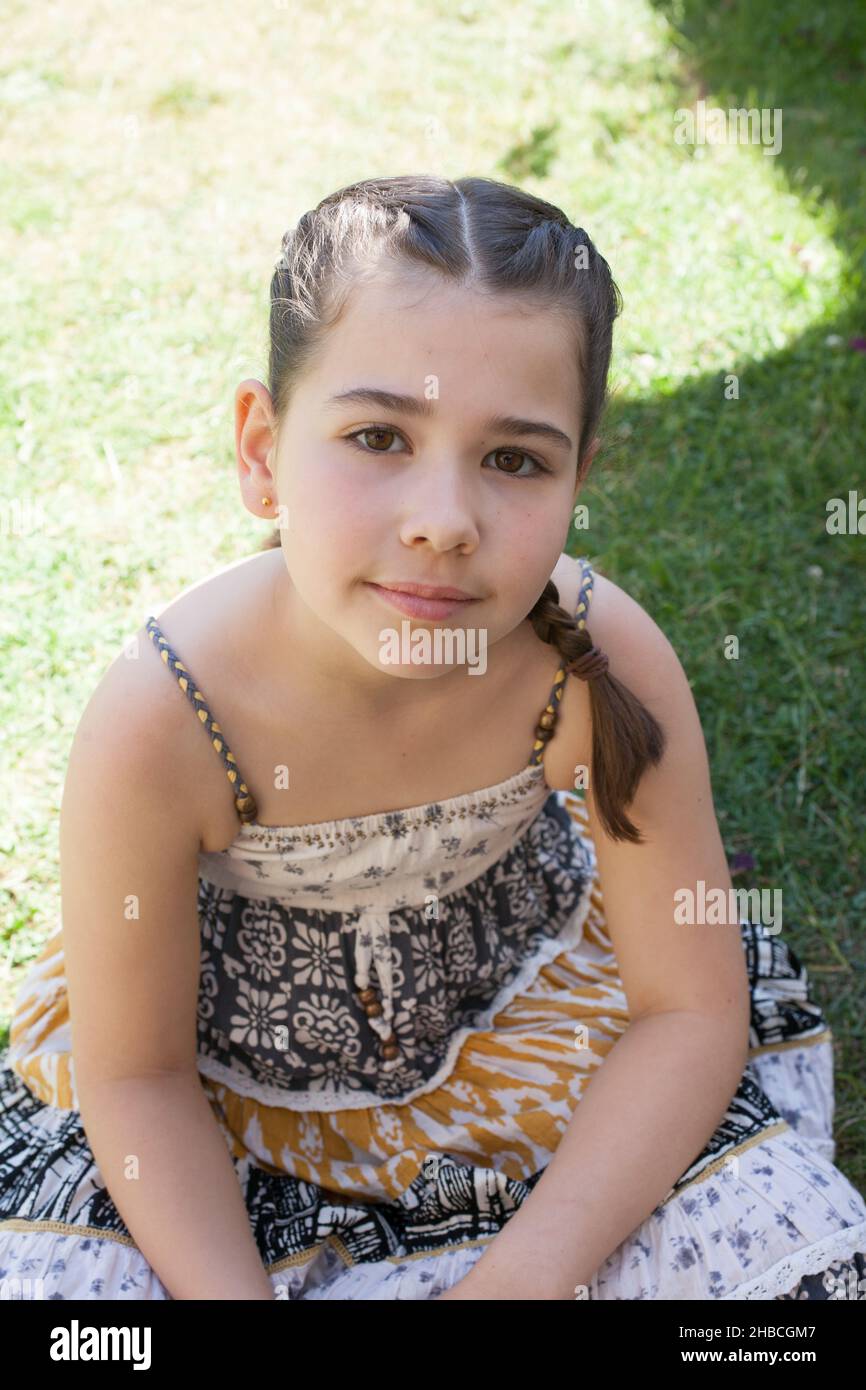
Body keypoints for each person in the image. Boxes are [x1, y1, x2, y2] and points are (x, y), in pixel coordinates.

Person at [1, 174, 864, 1302]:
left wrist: (521, 1284)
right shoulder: (164, 715)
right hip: (215, 1110)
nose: (444, 521)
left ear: (577, 479)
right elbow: (138, 1077)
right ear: (261, 449)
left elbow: (687, 1009)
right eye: (376, 435)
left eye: (513, 459)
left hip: (536, 1038)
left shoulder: (592, 665)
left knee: (801, 1277)